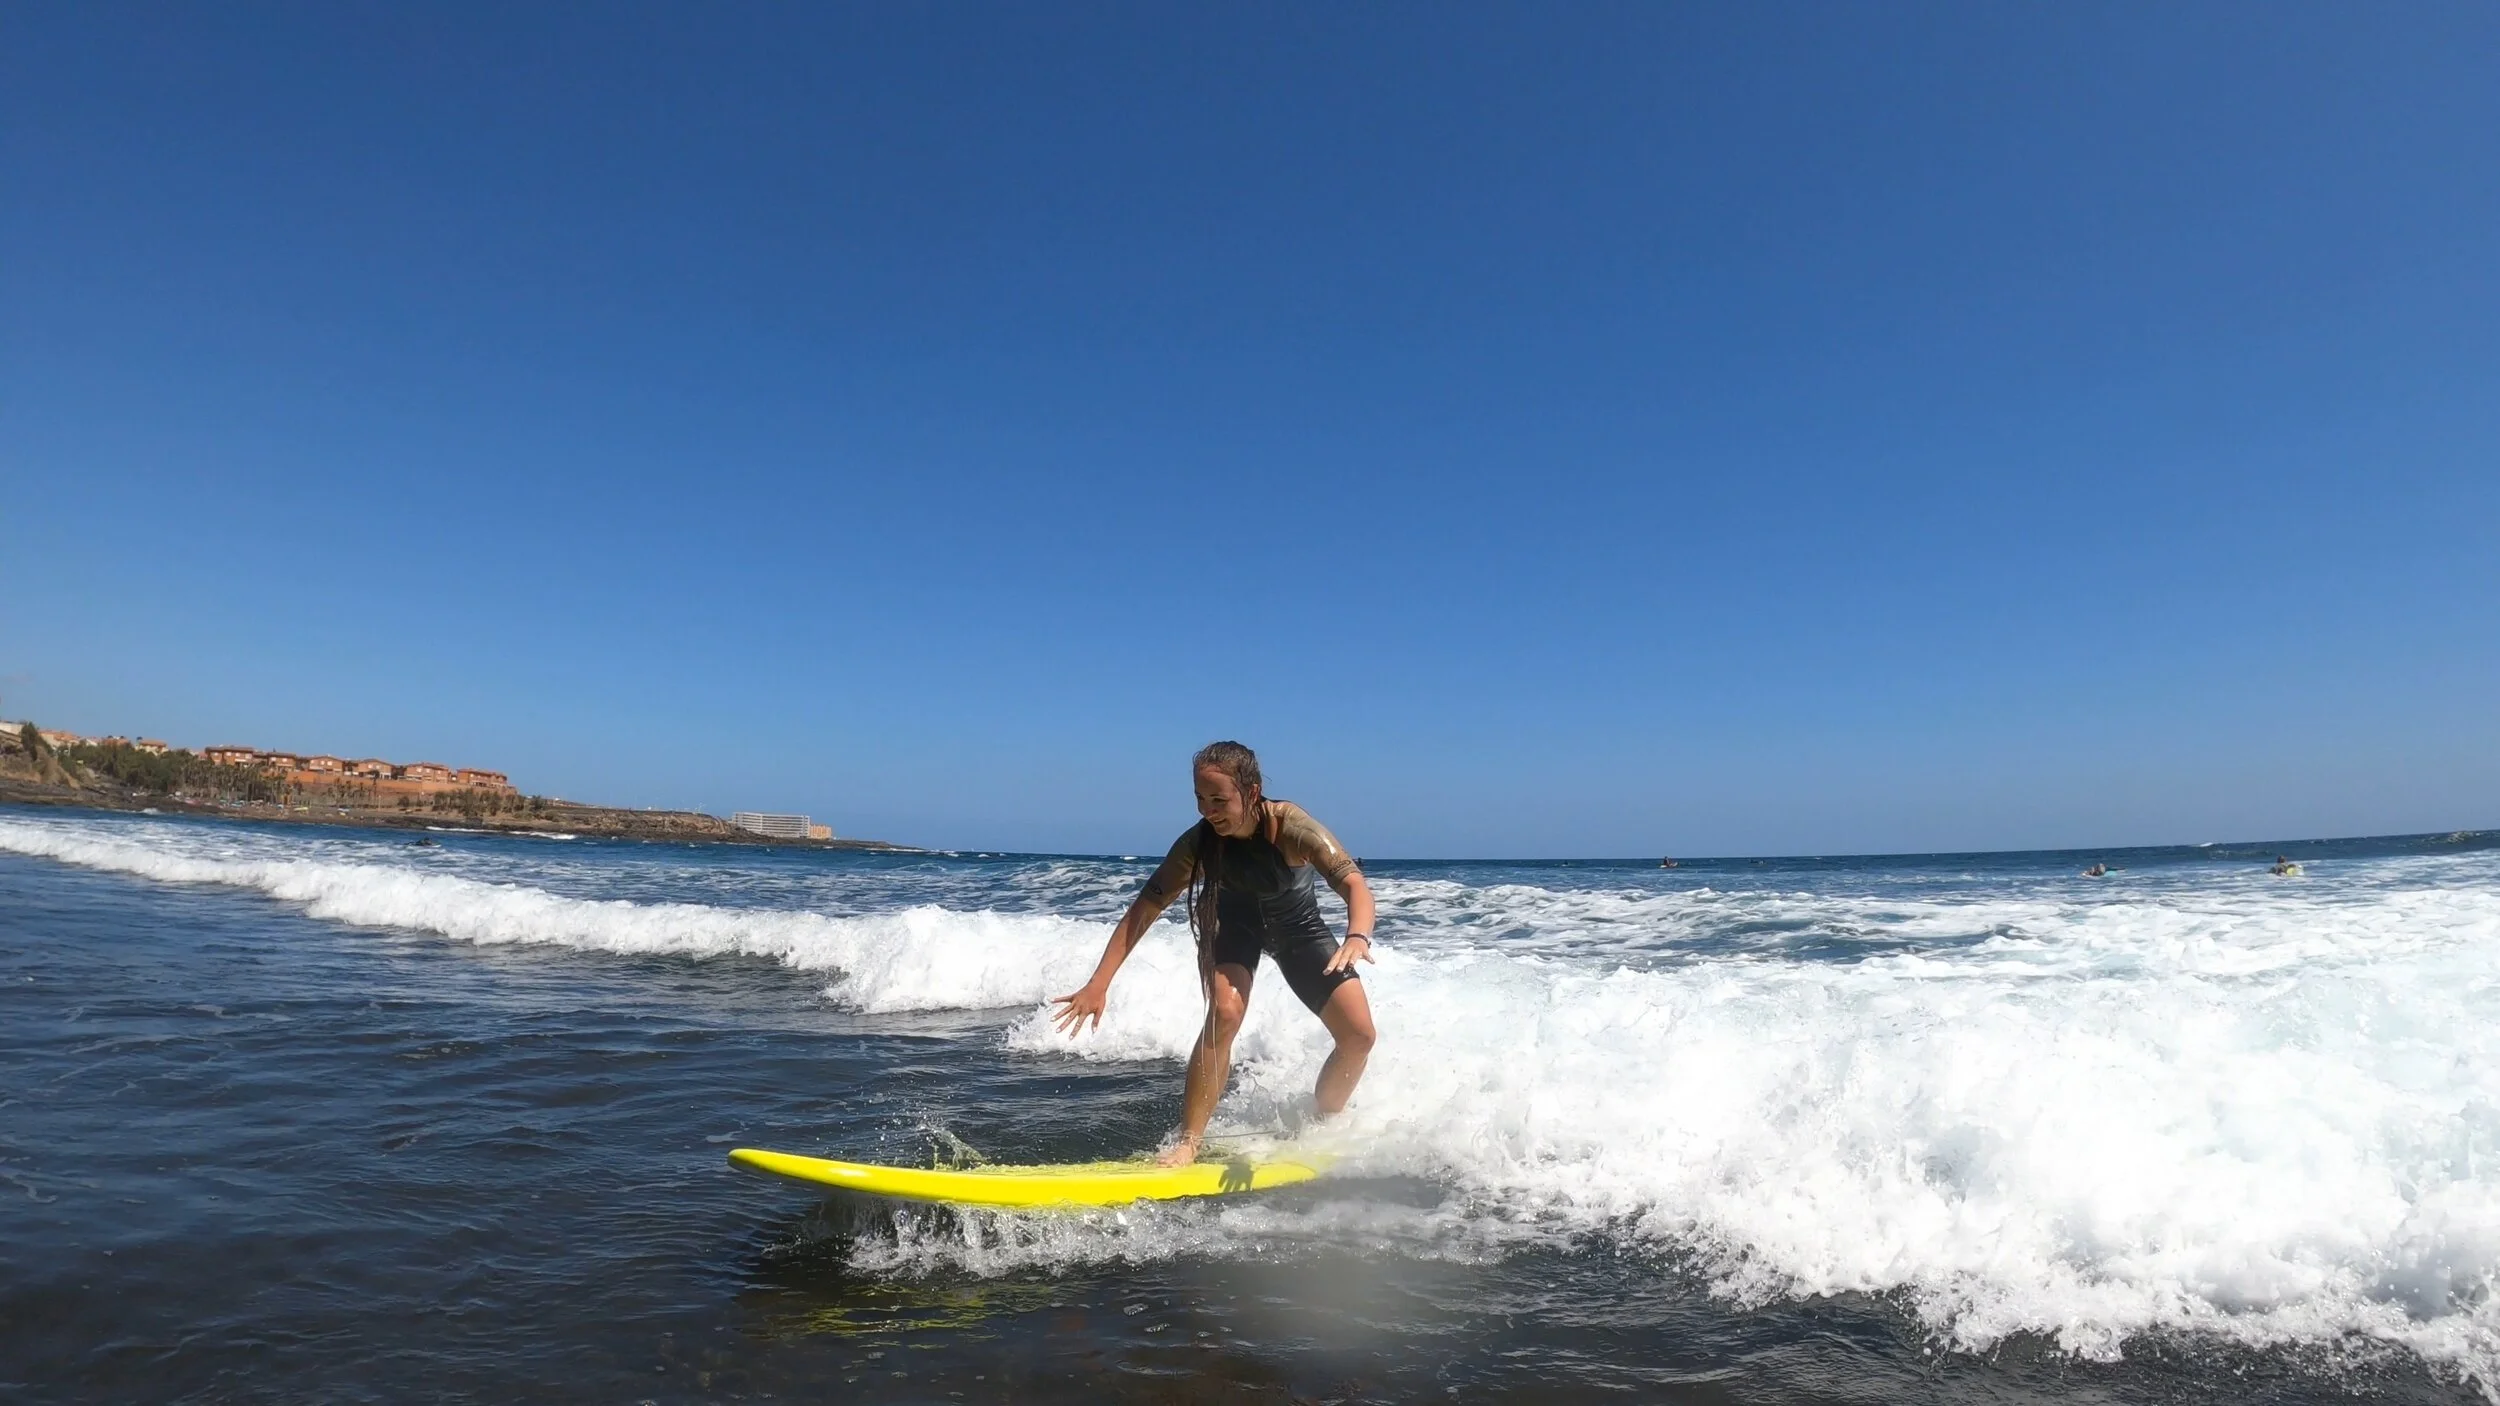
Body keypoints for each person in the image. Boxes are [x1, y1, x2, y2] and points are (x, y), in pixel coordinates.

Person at [1052, 741, 1379, 1166]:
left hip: (1298, 930)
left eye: (1219, 800)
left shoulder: (1294, 828)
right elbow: (1143, 910)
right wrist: (1099, 983)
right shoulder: (1198, 845)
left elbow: (1354, 883)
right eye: (1200, 800)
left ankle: (1324, 1122)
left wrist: (1358, 936)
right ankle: (1189, 1140)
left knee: (1359, 1036)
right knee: (1225, 1012)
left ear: (1253, 791)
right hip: (1233, 927)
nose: (1209, 811)